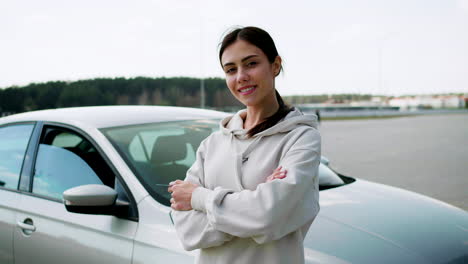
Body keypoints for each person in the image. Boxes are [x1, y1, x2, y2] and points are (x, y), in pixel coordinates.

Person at [168, 26, 321, 264]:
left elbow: (266, 215)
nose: (241, 76)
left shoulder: (300, 138)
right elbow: (187, 232)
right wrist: (253, 212)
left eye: (251, 63)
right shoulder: (212, 145)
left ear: (275, 65)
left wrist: (199, 199)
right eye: (231, 69)